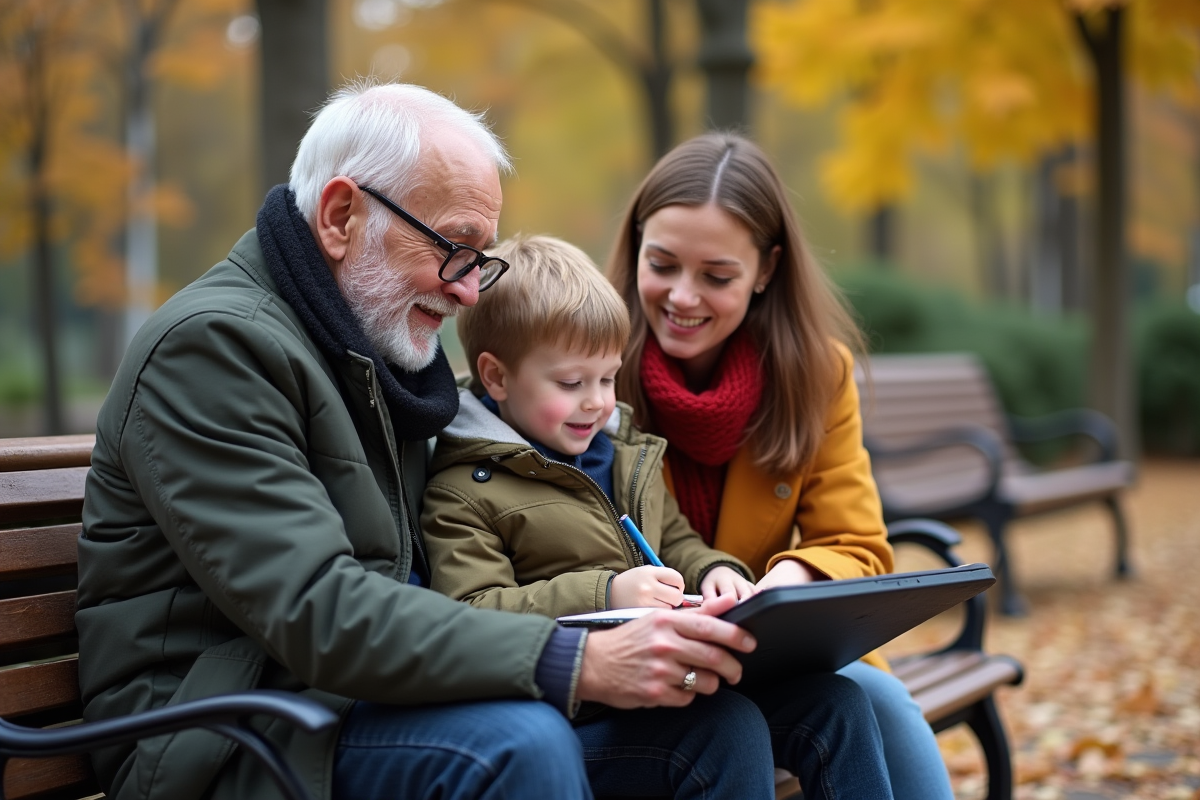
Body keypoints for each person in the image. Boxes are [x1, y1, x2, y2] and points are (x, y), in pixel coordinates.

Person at [75, 82, 771, 800]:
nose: (470, 291)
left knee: (715, 729)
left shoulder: (373, 348)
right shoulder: (214, 348)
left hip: (357, 701)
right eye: (453, 247)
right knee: (517, 745)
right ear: (342, 216)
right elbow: (321, 610)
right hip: (228, 737)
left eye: (480, 257)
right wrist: (576, 658)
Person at [423, 233, 894, 800]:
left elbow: (678, 542)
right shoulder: (463, 489)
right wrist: (607, 594)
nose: (597, 402)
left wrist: (719, 573)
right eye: (571, 384)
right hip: (576, 716)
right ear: (496, 377)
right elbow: (472, 613)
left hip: (672, 679)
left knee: (835, 703)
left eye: (607, 378)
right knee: (728, 727)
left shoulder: (625, 455)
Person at [605, 132, 956, 800]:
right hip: (638, 667)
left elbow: (857, 545)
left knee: (876, 702)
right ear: (637, 244)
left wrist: (787, 583)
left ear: (765, 270)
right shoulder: (587, 369)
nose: (682, 297)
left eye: (717, 276)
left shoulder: (816, 375)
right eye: (663, 264)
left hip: (767, 663)